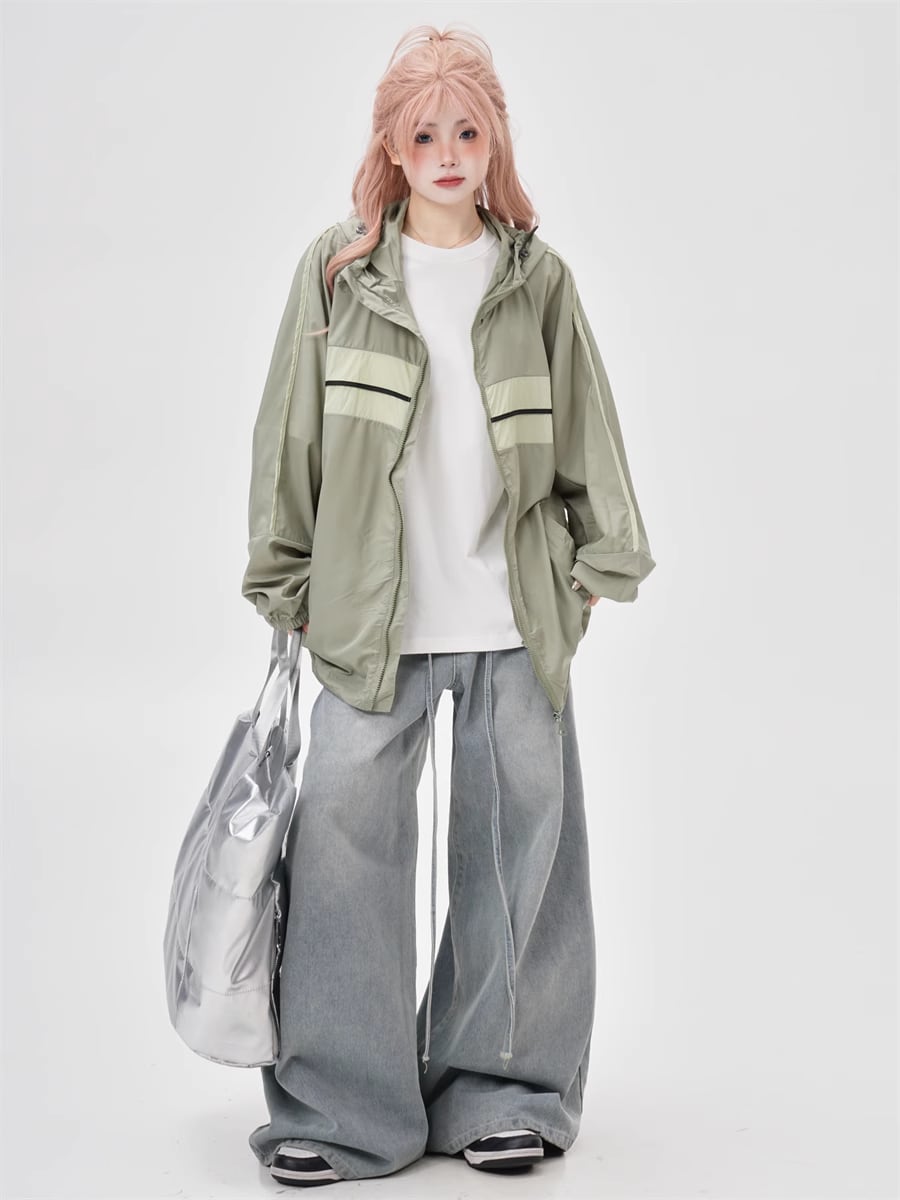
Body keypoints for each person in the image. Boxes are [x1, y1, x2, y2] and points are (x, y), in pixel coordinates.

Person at [240, 21, 656, 1188]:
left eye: (467, 132)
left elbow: (590, 429)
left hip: (514, 620)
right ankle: (344, 1108)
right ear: (392, 144)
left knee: (521, 860)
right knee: (342, 859)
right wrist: (285, 579)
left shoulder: (537, 281)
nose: (447, 156)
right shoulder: (339, 275)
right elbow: (288, 437)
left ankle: (504, 1092)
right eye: (424, 136)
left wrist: (593, 566)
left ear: (494, 140)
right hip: (367, 624)